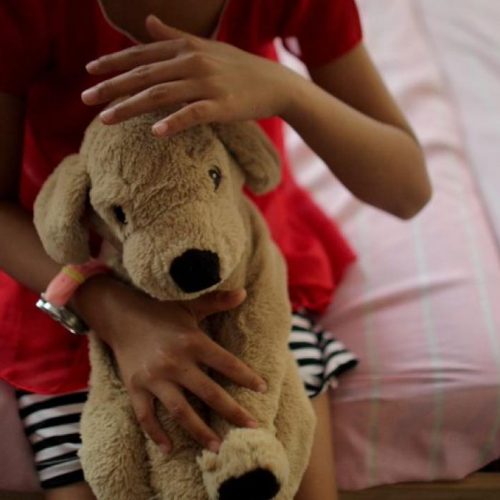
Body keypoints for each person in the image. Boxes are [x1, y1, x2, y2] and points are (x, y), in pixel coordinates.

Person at [0, 1, 431, 499]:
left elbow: (407, 190)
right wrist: (112, 311)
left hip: (245, 279)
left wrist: (286, 90)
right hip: (73, 283)